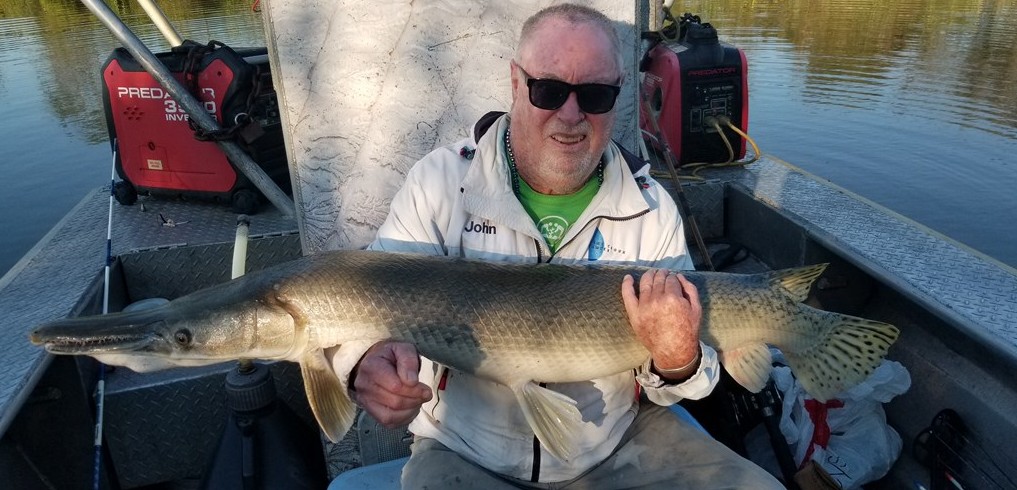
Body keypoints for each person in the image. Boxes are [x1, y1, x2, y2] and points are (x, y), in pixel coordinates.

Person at [329, 4, 784, 489]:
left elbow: (697, 380)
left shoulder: (652, 210)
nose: (571, 114)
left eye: (594, 94)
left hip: (619, 441)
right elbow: (359, 303)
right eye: (548, 90)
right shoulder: (438, 185)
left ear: (617, 95)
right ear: (515, 83)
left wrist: (680, 362)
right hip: (464, 451)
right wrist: (361, 362)